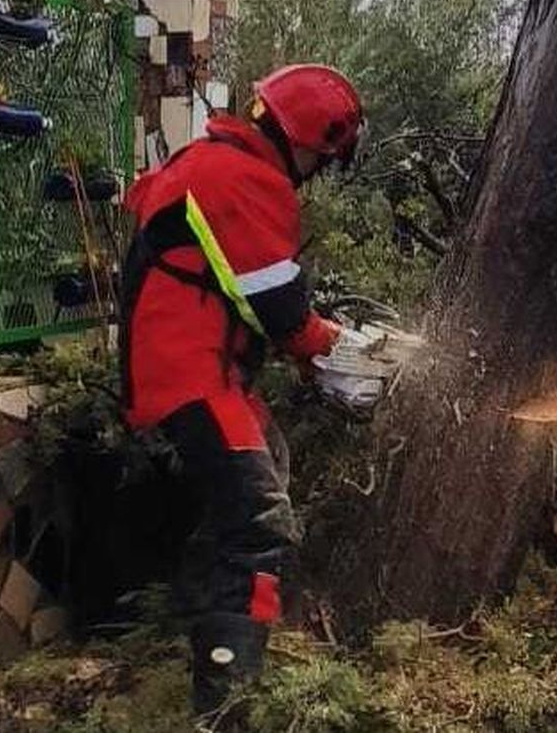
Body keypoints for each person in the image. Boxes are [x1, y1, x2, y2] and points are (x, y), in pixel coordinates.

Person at [117, 64, 383, 720]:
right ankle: (225, 705)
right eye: (323, 158)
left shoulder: (216, 159)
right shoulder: (245, 179)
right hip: (189, 373)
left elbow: (241, 291)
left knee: (269, 462)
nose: (319, 170)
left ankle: (193, 625)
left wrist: (310, 348)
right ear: (304, 140)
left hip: (197, 366)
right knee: (262, 524)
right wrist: (337, 351)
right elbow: (282, 310)